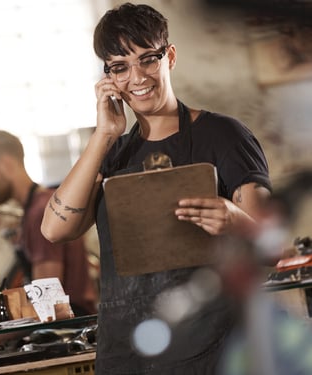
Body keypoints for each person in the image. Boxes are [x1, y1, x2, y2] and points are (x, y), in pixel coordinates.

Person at [41, 3, 272, 374]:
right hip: (127, 353)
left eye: (148, 59)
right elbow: (55, 229)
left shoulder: (223, 136)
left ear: (171, 57)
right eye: (119, 66)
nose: (137, 77)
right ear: (108, 77)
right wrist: (103, 134)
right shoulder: (111, 153)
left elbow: (270, 243)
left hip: (211, 349)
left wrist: (234, 219)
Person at [0, 130, 98, 317]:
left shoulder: (40, 213)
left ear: (6, 164)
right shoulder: (39, 206)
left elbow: (49, 305)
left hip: (70, 329)